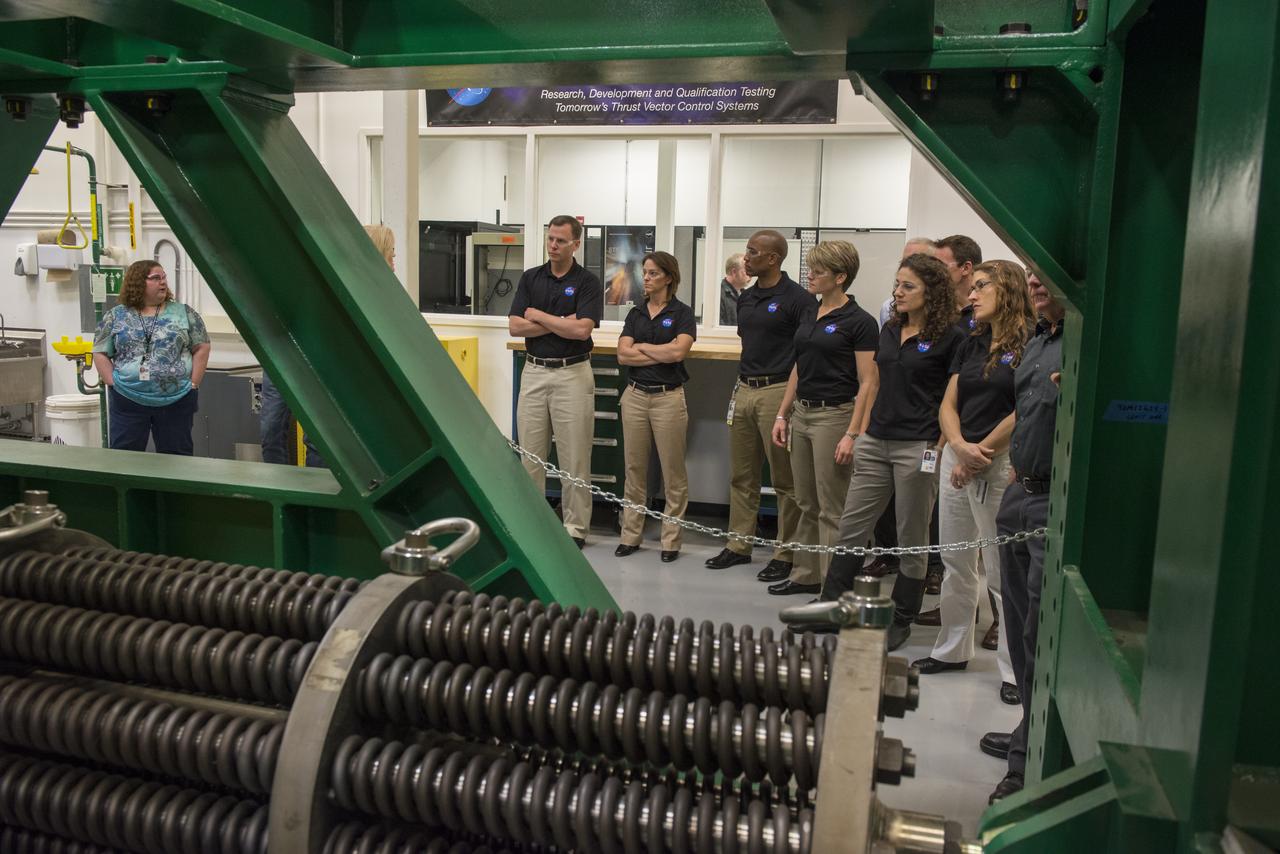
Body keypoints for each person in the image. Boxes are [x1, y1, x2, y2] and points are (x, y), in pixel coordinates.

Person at [804, 253, 964, 649]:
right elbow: (871, 385)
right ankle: (832, 605)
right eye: (897, 284)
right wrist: (856, 433)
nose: (898, 292)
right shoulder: (891, 329)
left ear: (932, 292)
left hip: (918, 445)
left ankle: (901, 618)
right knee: (852, 527)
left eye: (908, 286)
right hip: (876, 441)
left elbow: (953, 397)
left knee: (911, 536)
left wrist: (940, 447)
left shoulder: (952, 337)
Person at [912, 261, 1035, 703]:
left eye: (982, 286)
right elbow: (950, 401)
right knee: (956, 562)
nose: (972, 294)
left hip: (998, 462)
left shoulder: (1030, 344)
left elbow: (1025, 409)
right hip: (959, 457)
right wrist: (959, 445)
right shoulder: (972, 340)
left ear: (1009, 290)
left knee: (1002, 573)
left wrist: (978, 451)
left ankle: (1013, 671)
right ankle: (952, 650)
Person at [983, 269, 1065, 803]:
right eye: (1030, 271)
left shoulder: (1083, 347)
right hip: (1021, 496)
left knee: (1039, 634)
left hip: (1054, 506)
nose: (1035, 279)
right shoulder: (1038, 341)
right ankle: (1025, 734)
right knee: (1017, 629)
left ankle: (1029, 761)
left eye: (1046, 273)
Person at [768, 241, 878, 596]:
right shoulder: (809, 314)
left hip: (836, 415)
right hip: (803, 413)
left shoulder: (859, 322)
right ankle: (806, 574)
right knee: (806, 502)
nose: (810, 275)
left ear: (841, 277)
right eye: (810, 269)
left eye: (818, 271)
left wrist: (853, 433)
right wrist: (783, 413)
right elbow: (799, 366)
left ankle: (835, 587)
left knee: (833, 508)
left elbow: (868, 382)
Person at [706, 230, 808, 577]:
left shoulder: (798, 299)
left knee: (785, 479)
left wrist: (787, 405)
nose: (745, 257)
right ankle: (738, 545)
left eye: (752, 252)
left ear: (773, 259)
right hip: (744, 389)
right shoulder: (746, 297)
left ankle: (786, 552)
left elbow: (804, 354)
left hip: (778, 392)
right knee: (742, 475)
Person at [261, 224, 395, 467]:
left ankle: (318, 498)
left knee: (318, 441)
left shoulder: (377, 293)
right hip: (286, 355)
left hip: (320, 365)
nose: (394, 264)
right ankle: (282, 493)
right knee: (271, 432)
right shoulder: (323, 276)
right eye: (392, 255)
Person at [509, 215, 604, 548]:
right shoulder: (531, 278)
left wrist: (537, 315)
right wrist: (559, 322)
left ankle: (575, 529)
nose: (553, 245)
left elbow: (582, 330)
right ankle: (532, 526)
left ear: (575, 244)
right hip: (534, 372)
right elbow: (516, 327)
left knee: (574, 456)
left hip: (572, 374)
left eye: (560, 240)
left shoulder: (587, 283)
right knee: (531, 456)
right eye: (550, 239)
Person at [615, 251, 697, 562]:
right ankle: (630, 535)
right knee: (634, 469)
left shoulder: (682, 313)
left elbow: (679, 352)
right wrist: (659, 351)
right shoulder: (635, 313)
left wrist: (643, 348)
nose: (645, 278)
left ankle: (671, 541)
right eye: (644, 273)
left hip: (668, 397)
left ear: (668, 277)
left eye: (652, 273)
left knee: (673, 472)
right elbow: (623, 355)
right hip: (635, 395)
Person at [92, 260, 210, 455]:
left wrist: (194, 383)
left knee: (177, 457)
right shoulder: (116, 316)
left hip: (176, 398)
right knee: (125, 456)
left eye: (164, 277)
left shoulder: (183, 313)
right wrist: (112, 382)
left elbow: (202, 346)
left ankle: (171, 487)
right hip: (128, 398)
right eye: (156, 278)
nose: (162, 282)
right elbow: (100, 351)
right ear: (138, 282)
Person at [878, 237, 936, 328]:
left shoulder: (950, 310)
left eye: (917, 260)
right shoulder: (888, 309)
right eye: (905, 261)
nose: (908, 266)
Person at [719, 253, 750, 326]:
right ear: (734, 272)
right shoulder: (717, 294)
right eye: (746, 271)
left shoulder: (747, 295)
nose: (750, 275)